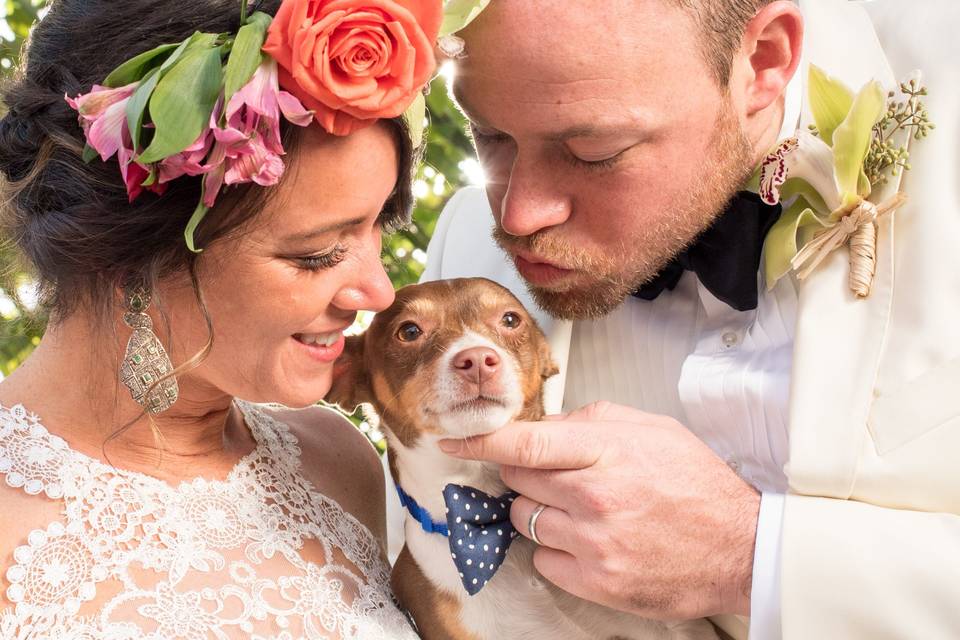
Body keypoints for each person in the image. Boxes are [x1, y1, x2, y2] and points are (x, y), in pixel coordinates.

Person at [419, 0, 960, 638]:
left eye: (594, 150)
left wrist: (754, 558)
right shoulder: (469, 264)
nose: (517, 217)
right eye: (489, 136)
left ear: (764, 61)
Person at [0, 0, 442, 637]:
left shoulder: (336, 461)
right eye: (317, 254)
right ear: (130, 257)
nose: (378, 292)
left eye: (382, 226)